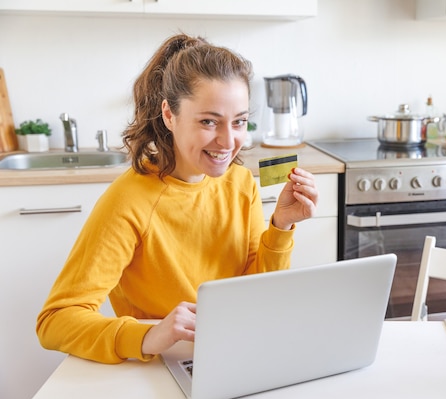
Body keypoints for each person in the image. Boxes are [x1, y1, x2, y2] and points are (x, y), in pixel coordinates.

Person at [36, 33, 318, 364]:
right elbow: (55, 321)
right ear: (169, 115)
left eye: (239, 121)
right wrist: (147, 336)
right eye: (209, 121)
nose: (228, 141)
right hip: (163, 367)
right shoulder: (128, 201)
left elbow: (255, 292)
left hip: (233, 354)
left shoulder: (241, 183)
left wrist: (281, 226)